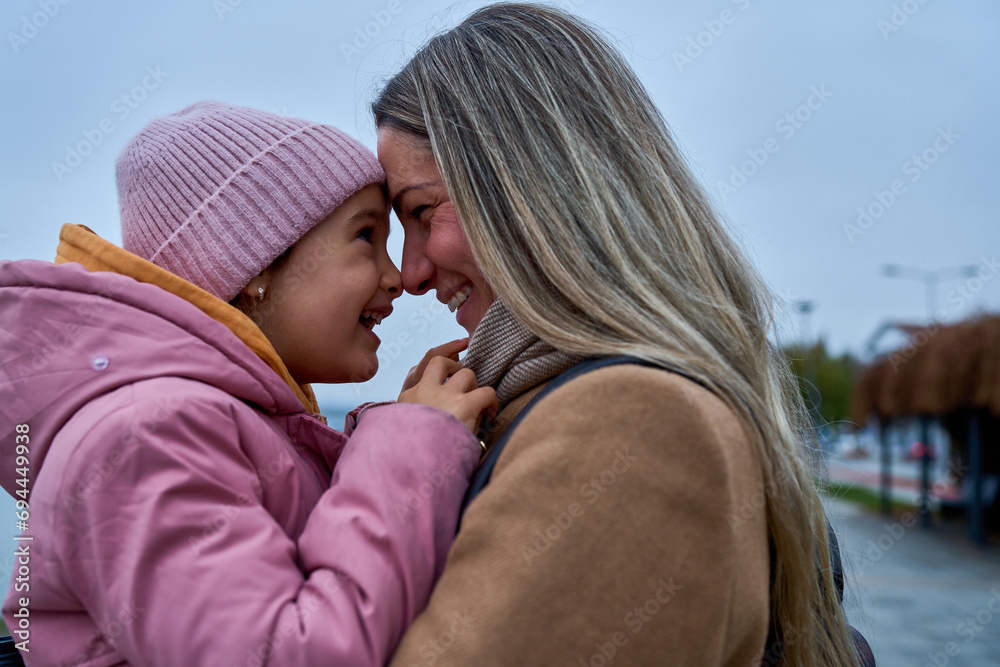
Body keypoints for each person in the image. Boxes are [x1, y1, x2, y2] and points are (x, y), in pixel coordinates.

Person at [373, 4, 862, 666]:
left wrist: (402, 465)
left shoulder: (635, 424)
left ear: (528, 185)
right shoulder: (558, 401)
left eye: (422, 212)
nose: (410, 273)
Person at [0, 101, 496, 666]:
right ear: (255, 264)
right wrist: (411, 450)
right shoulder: (146, 437)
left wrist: (398, 428)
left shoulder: (220, 422)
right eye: (365, 236)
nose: (397, 278)